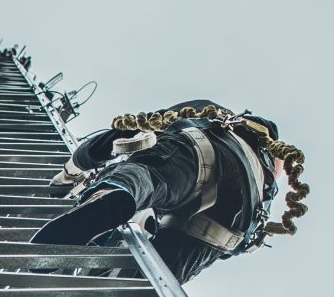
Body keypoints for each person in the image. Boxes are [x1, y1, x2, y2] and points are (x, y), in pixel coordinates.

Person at [32, 100, 308, 280]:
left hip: (200, 151)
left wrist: (71, 171)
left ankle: (115, 195)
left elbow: (126, 134)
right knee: (152, 279)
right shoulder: (265, 184)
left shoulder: (212, 115)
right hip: (228, 227)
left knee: (149, 176)